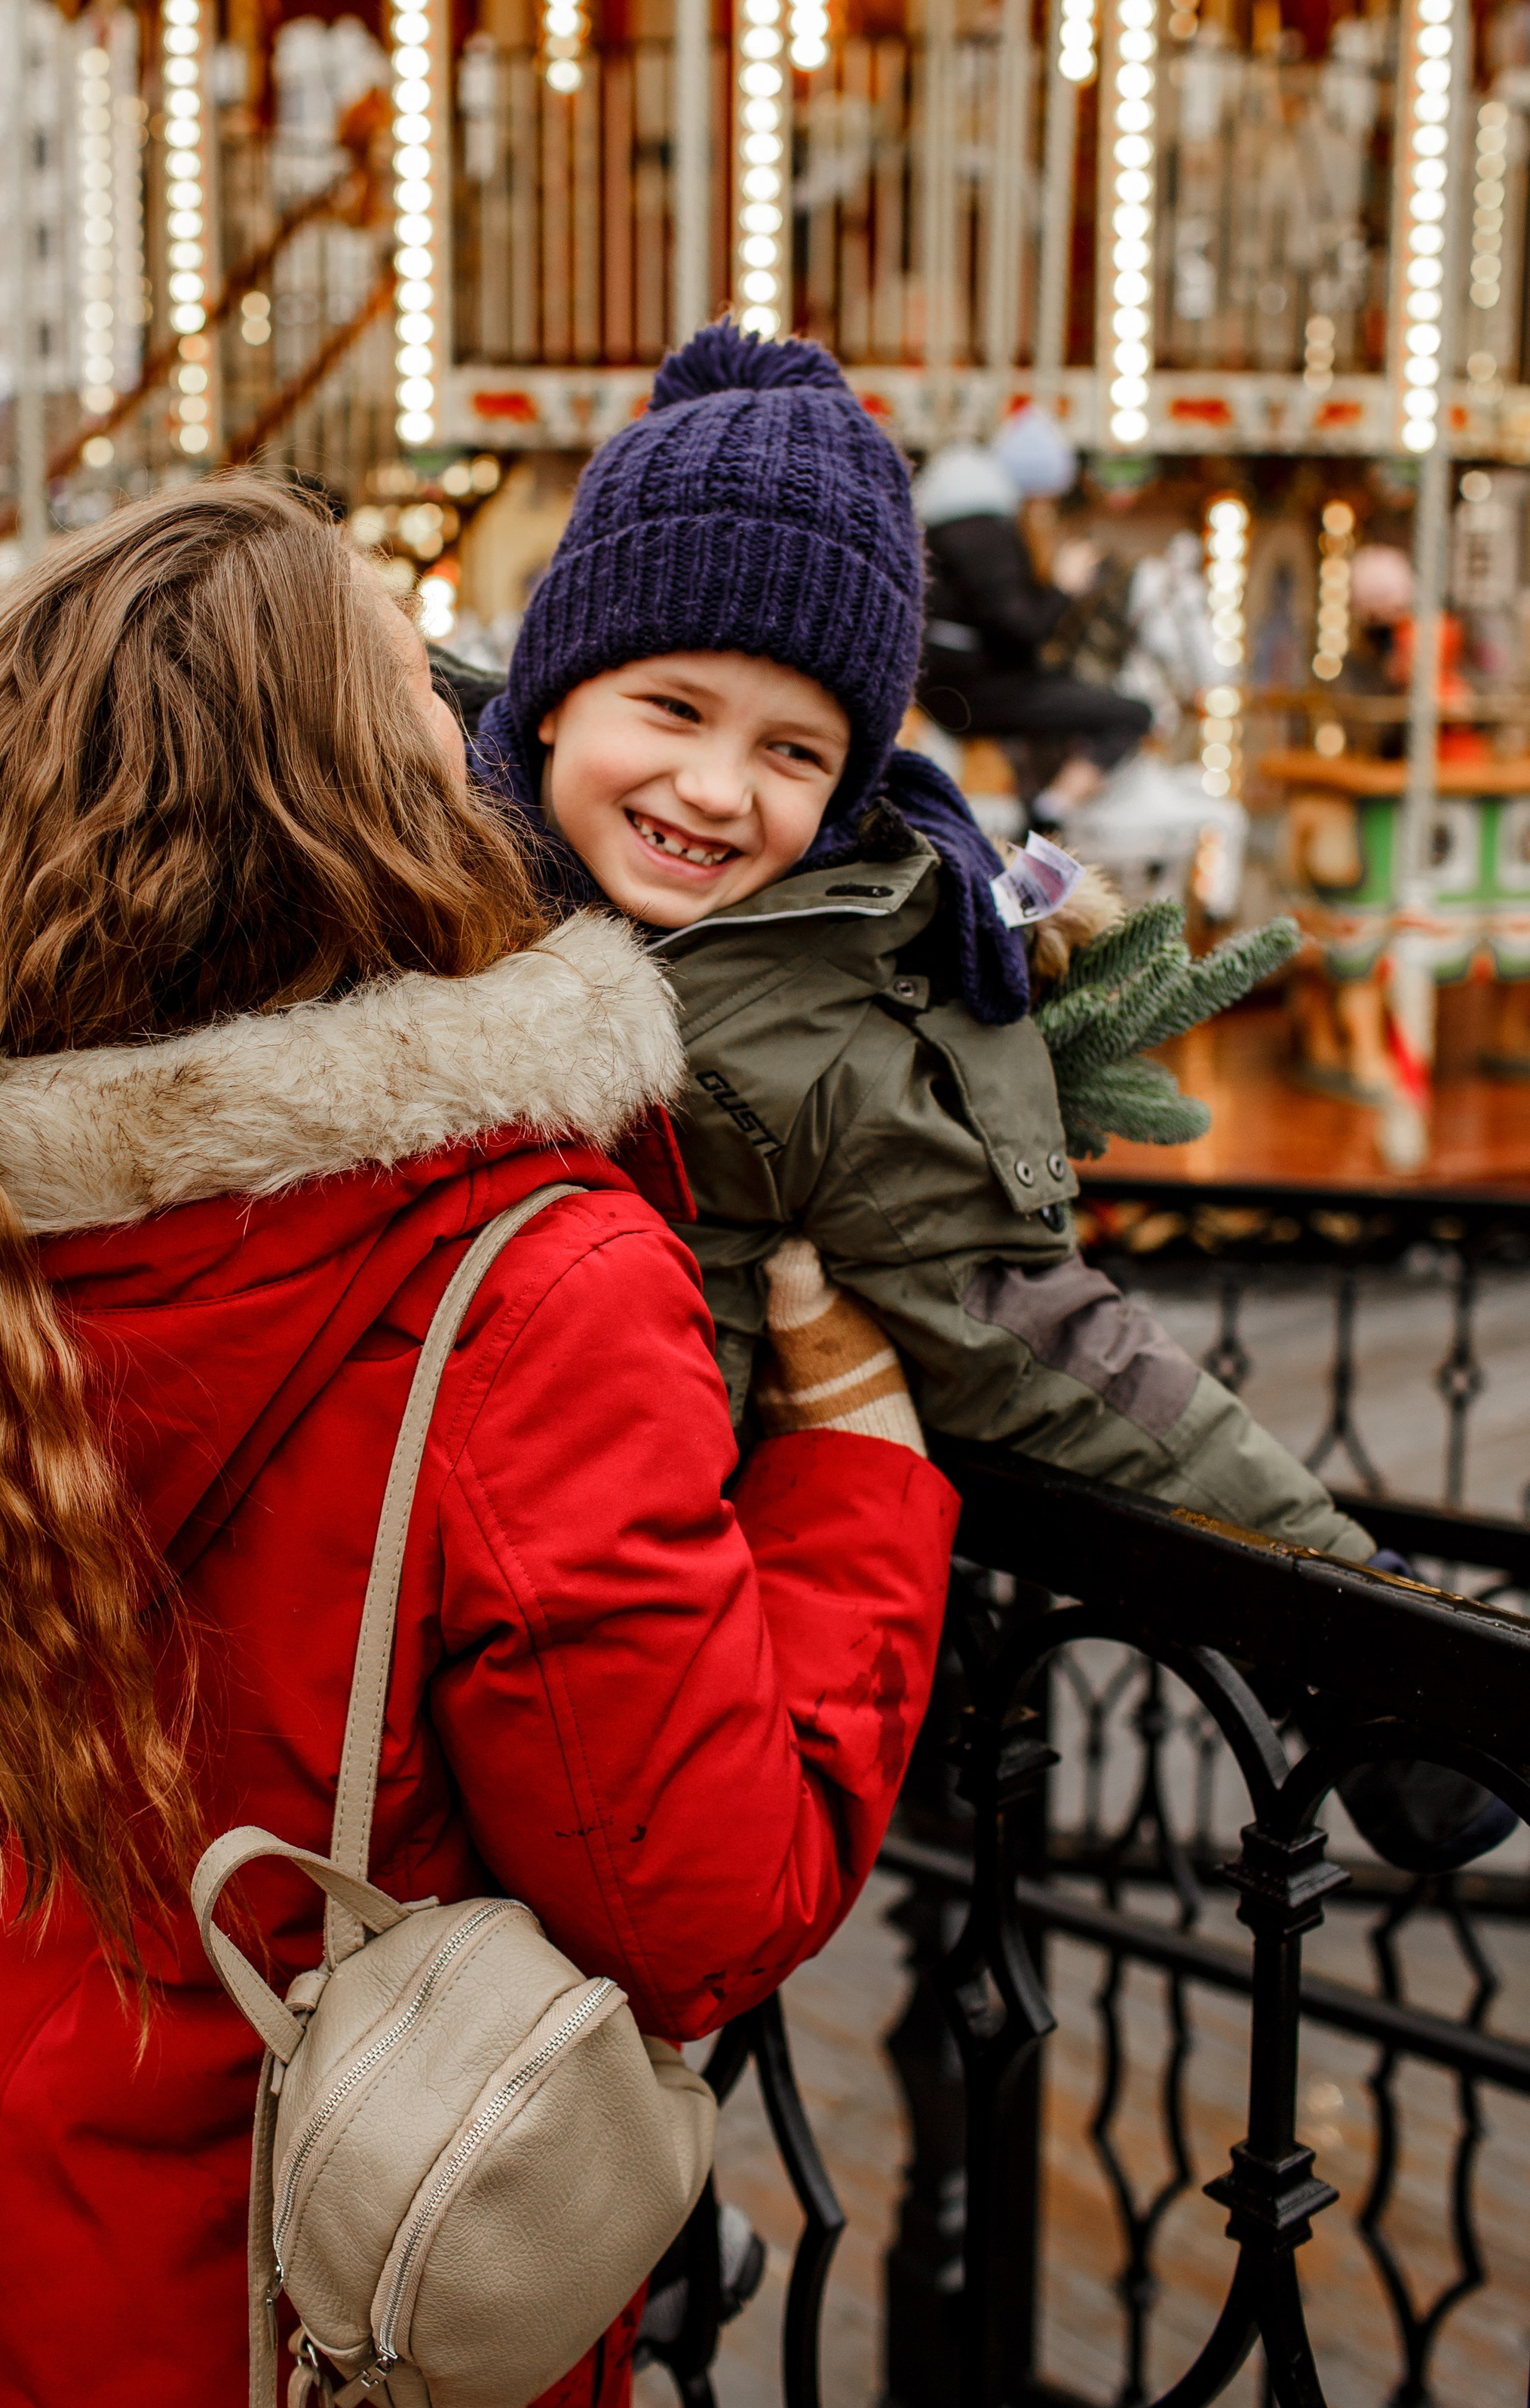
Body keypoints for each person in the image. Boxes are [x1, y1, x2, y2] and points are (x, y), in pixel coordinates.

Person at [0, 478, 959, 2408]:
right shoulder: (516, 1276)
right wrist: (854, 1471)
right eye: (419, 712)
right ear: (352, 808)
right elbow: (709, 1895)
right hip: (304, 2302)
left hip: (31, 2180)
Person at [473, 323, 1375, 1567]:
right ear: (558, 690)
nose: (718, 787)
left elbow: (1047, 1344)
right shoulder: (400, 863)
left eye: (794, 751)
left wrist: (1340, 1583)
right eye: (673, 709)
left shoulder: (825, 1033)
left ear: (850, 785)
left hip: (625, 1595)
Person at [914, 405, 1151, 816]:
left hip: (956, 679)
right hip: (973, 688)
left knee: (1069, 687)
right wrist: (1063, 587)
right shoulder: (984, 528)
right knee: (1130, 714)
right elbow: (1021, 626)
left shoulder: (961, 520)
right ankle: (1051, 812)